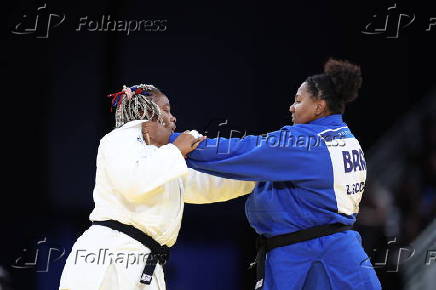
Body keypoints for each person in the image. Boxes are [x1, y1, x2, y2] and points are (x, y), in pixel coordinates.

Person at [166, 59, 382, 289]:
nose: (291, 107)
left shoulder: (306, 142)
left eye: (298, 101)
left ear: (319, 106)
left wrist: (171, 142)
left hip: (310, 257)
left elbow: (239, 152)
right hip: (340, 255)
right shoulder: (347, 139)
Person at [59, 84, 255, 290]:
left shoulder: (164, 162)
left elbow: (207, 184)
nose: (174, 119)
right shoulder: (119, 139)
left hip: (145, 263)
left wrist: (258, 177)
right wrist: (177, 150)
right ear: (146, 114)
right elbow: (134, 182)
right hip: (107, 257)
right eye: (166, 110)